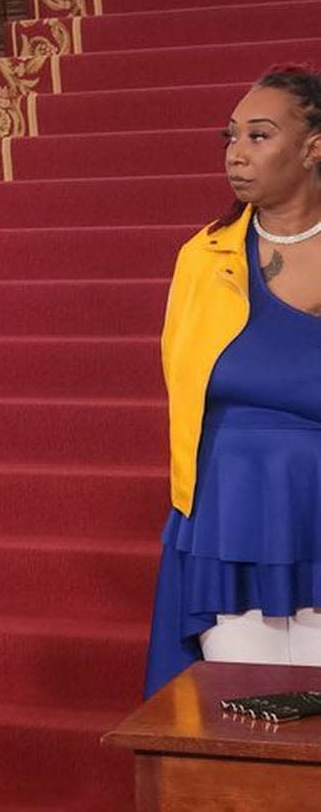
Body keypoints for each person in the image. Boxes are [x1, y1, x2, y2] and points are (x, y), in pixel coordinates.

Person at [145, 64, 321, 697]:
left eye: (259, 136)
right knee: (241, 710)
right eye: (231, 137)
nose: (236, 154)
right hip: (231, 517)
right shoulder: (203, 257)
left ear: (313, 147)